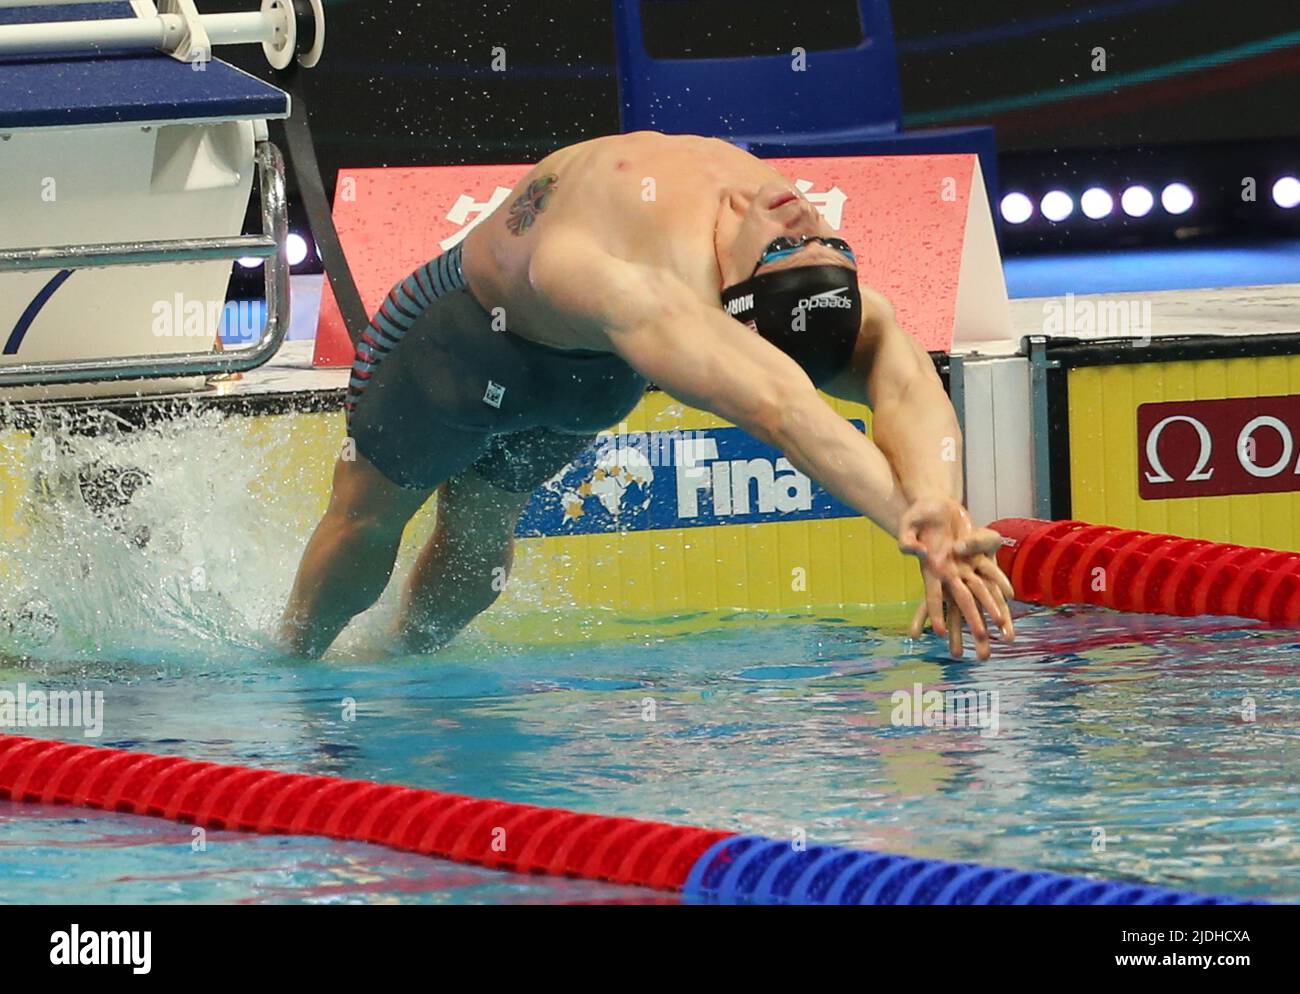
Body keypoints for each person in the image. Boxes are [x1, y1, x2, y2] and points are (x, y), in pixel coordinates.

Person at [279, 131, 1014, 659]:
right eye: (795, 247)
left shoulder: (775, 277)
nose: (805, 222)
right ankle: (294, 664)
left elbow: (908, 381)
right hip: (457, 345)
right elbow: (785, 410)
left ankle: (404, 665)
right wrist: (913, 527)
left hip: (588, 380)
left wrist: (937, 509)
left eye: (822, 243)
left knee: (478, 542)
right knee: (367, 520)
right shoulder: (630, 280)